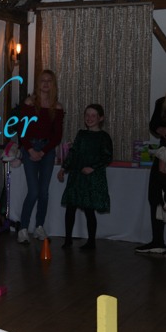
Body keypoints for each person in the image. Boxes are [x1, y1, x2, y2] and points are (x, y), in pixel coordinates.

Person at [17, 69, 65, 244]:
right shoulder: (29, 103)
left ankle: (39, 226)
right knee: (34, 191)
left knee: (44, 192)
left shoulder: (57, 107)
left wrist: (44, 151)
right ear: (38, 83)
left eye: (49, 81)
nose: (45, 83)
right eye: (43, 80)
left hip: (47, 150)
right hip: (30, 147)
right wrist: (30, 150)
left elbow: (57, 136)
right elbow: (22, 130)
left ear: (53, 85)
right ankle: (23, 228)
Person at [57, 104, 112, 250]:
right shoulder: (81, 134)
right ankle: (68, 239)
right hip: (77, 176)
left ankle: (91, 241)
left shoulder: (104, 137)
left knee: (89, 209)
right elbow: (73, 152)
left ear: (101, 118)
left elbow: (107, 156)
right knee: (71, 207)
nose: (89, 118)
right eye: (87, 115)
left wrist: (92, 167)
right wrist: (63, 168)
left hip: (92, 178)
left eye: (93, 115)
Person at [136, 87, 166, 254]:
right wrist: (161, 130)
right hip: (164, 153)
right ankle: (158, 241)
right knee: (155, 195)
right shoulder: (161, 103)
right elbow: (153, 125)